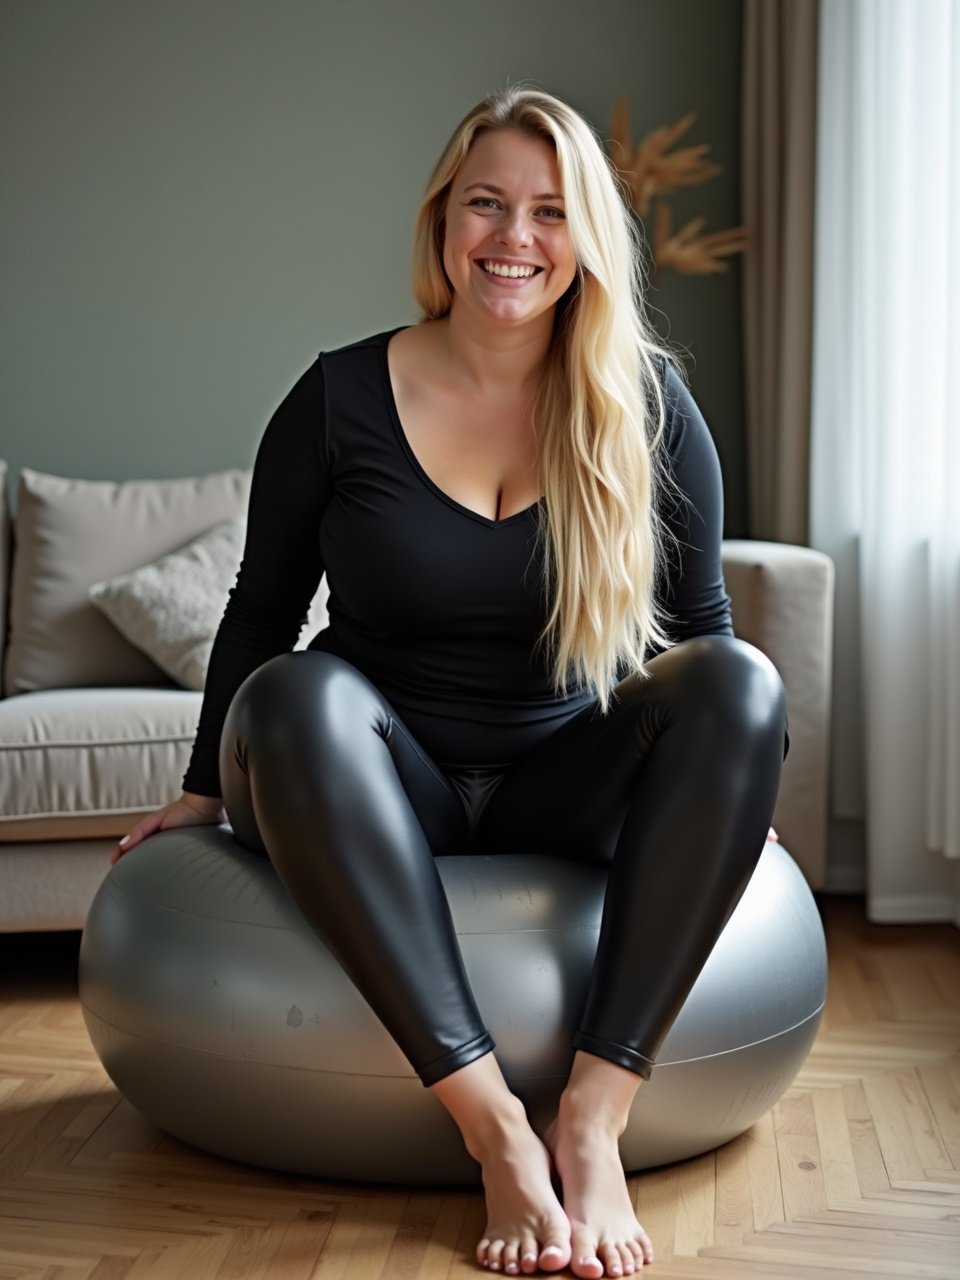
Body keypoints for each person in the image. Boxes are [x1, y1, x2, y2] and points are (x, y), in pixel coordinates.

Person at [113, 86, 789, 1279]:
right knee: (290, 687)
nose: (513, 239)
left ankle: (590, 1117)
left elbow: (702, 633)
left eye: (545, 210)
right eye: (486, 204)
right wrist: (200, 788)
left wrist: (718, 813)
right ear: (442, 221)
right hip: (380, 775)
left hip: (559, 783)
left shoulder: (646, 403)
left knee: (741, 681)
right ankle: (496, 1131)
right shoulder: (336, 396)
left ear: (583, 236)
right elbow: (261, 607)